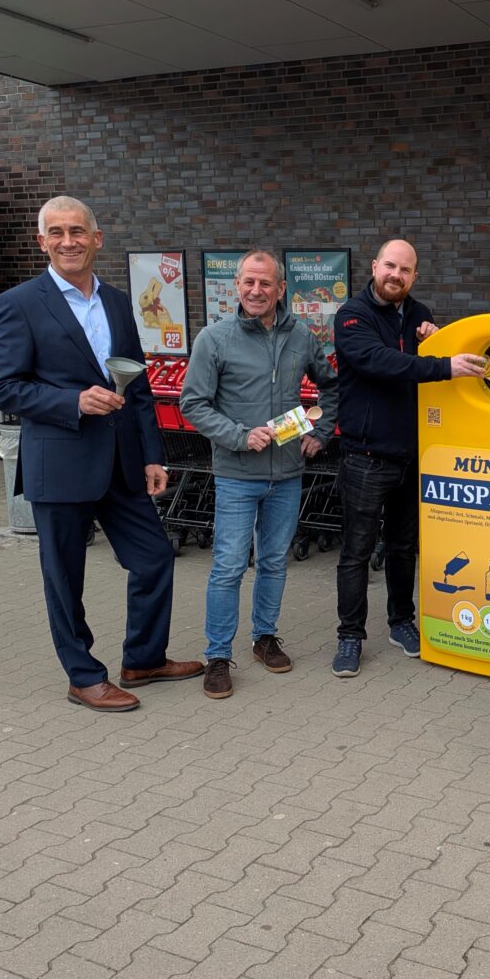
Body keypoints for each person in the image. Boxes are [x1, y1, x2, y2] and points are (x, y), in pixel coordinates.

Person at [0, 196, 202, 711]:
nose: (68, 242)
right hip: (59, 463)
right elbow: (1, 387)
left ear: (96, 238)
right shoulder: (18, 303)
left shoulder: (117, 301)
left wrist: (154, 454)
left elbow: (138, 383)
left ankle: (144, 658)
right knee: (65, 577)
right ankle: (83, 676)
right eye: (56, 233)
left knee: (153, 559)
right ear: (42, 242)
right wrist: (72, 401)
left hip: (122, 461)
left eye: (77, 231)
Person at [179, 249, 337, 700]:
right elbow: (193, 404)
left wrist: (320, 430)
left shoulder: (301, 336)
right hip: (235, 474)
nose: (256, 290)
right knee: (228, 567)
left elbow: (332, 386)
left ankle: (264, 638)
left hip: (287, 473)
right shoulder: (214, 338)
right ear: (237, 287)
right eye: (248, 282)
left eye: (265, 283)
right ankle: (217, 656)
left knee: (272, 562)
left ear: (281, 289)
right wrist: (238, 435)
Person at [331, 238, 486, 678]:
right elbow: (379, 362)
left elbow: (426, 362)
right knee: (356, 552)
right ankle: (349, 637)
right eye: (390, 266)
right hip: (365, 455)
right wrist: (441, 363)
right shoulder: (351, 316)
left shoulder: (420, 316)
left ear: (414, 276)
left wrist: (437, 339)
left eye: (405, 270)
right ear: (375, 266)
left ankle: (402, 622)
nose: (395, 275)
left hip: (413, 455)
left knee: (404, 548)